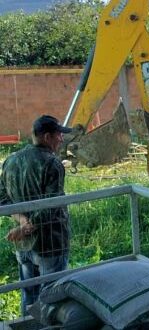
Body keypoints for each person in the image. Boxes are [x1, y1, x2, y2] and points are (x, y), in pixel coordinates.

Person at [0, 115, 72, 315]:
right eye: (59, 135)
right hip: (50, 243)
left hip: (22, 244)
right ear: (48, 137)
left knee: (29, 295)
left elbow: (2, 198)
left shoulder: (11, 161)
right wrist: (26, 225)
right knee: (51, 298)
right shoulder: (52, 164)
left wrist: (22, 222)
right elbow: (52, 205)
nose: (61, 139)